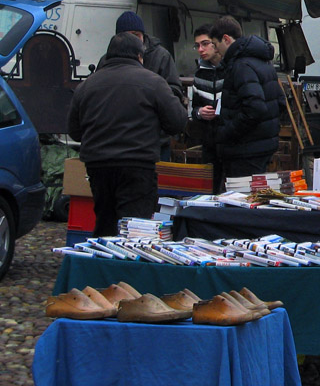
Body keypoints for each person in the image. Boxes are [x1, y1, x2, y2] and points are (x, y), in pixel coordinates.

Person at [67, 33, 187, 236]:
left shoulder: (86, 86)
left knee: (105, 222)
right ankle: (127, 265)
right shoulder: (154, 82)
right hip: (137, 164)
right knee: (135, 228)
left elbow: (75, 132)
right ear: (140, 57)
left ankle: (101, 264)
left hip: (98, 165)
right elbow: (177, 122)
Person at [205, 16, 284, 185]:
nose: (216, 50)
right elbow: (280, 102)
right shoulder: (262, 61)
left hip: (245, 149)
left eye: (216, 44)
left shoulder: (241, 66)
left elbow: (255, 108)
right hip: (261, 145)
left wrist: (227, 132)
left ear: (226, 39)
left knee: (240, 200)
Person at [110, 10, 184, 161]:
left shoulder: (161, 56)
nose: (134, 40)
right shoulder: (107, 59)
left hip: (154, 141)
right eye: (128, 35)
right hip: (117, 141)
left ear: (143, 35)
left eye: (137, 35)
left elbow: (175, 92)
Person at [186, 25, 225, 191]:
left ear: (215, 44)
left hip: (230, 139)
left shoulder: (231, 70)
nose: (200, 49)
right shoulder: (199, 75)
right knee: (212, 188)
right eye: (197, 45)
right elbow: (193, 109)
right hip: (209, 143)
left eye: (205, 43)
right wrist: (200, 112)